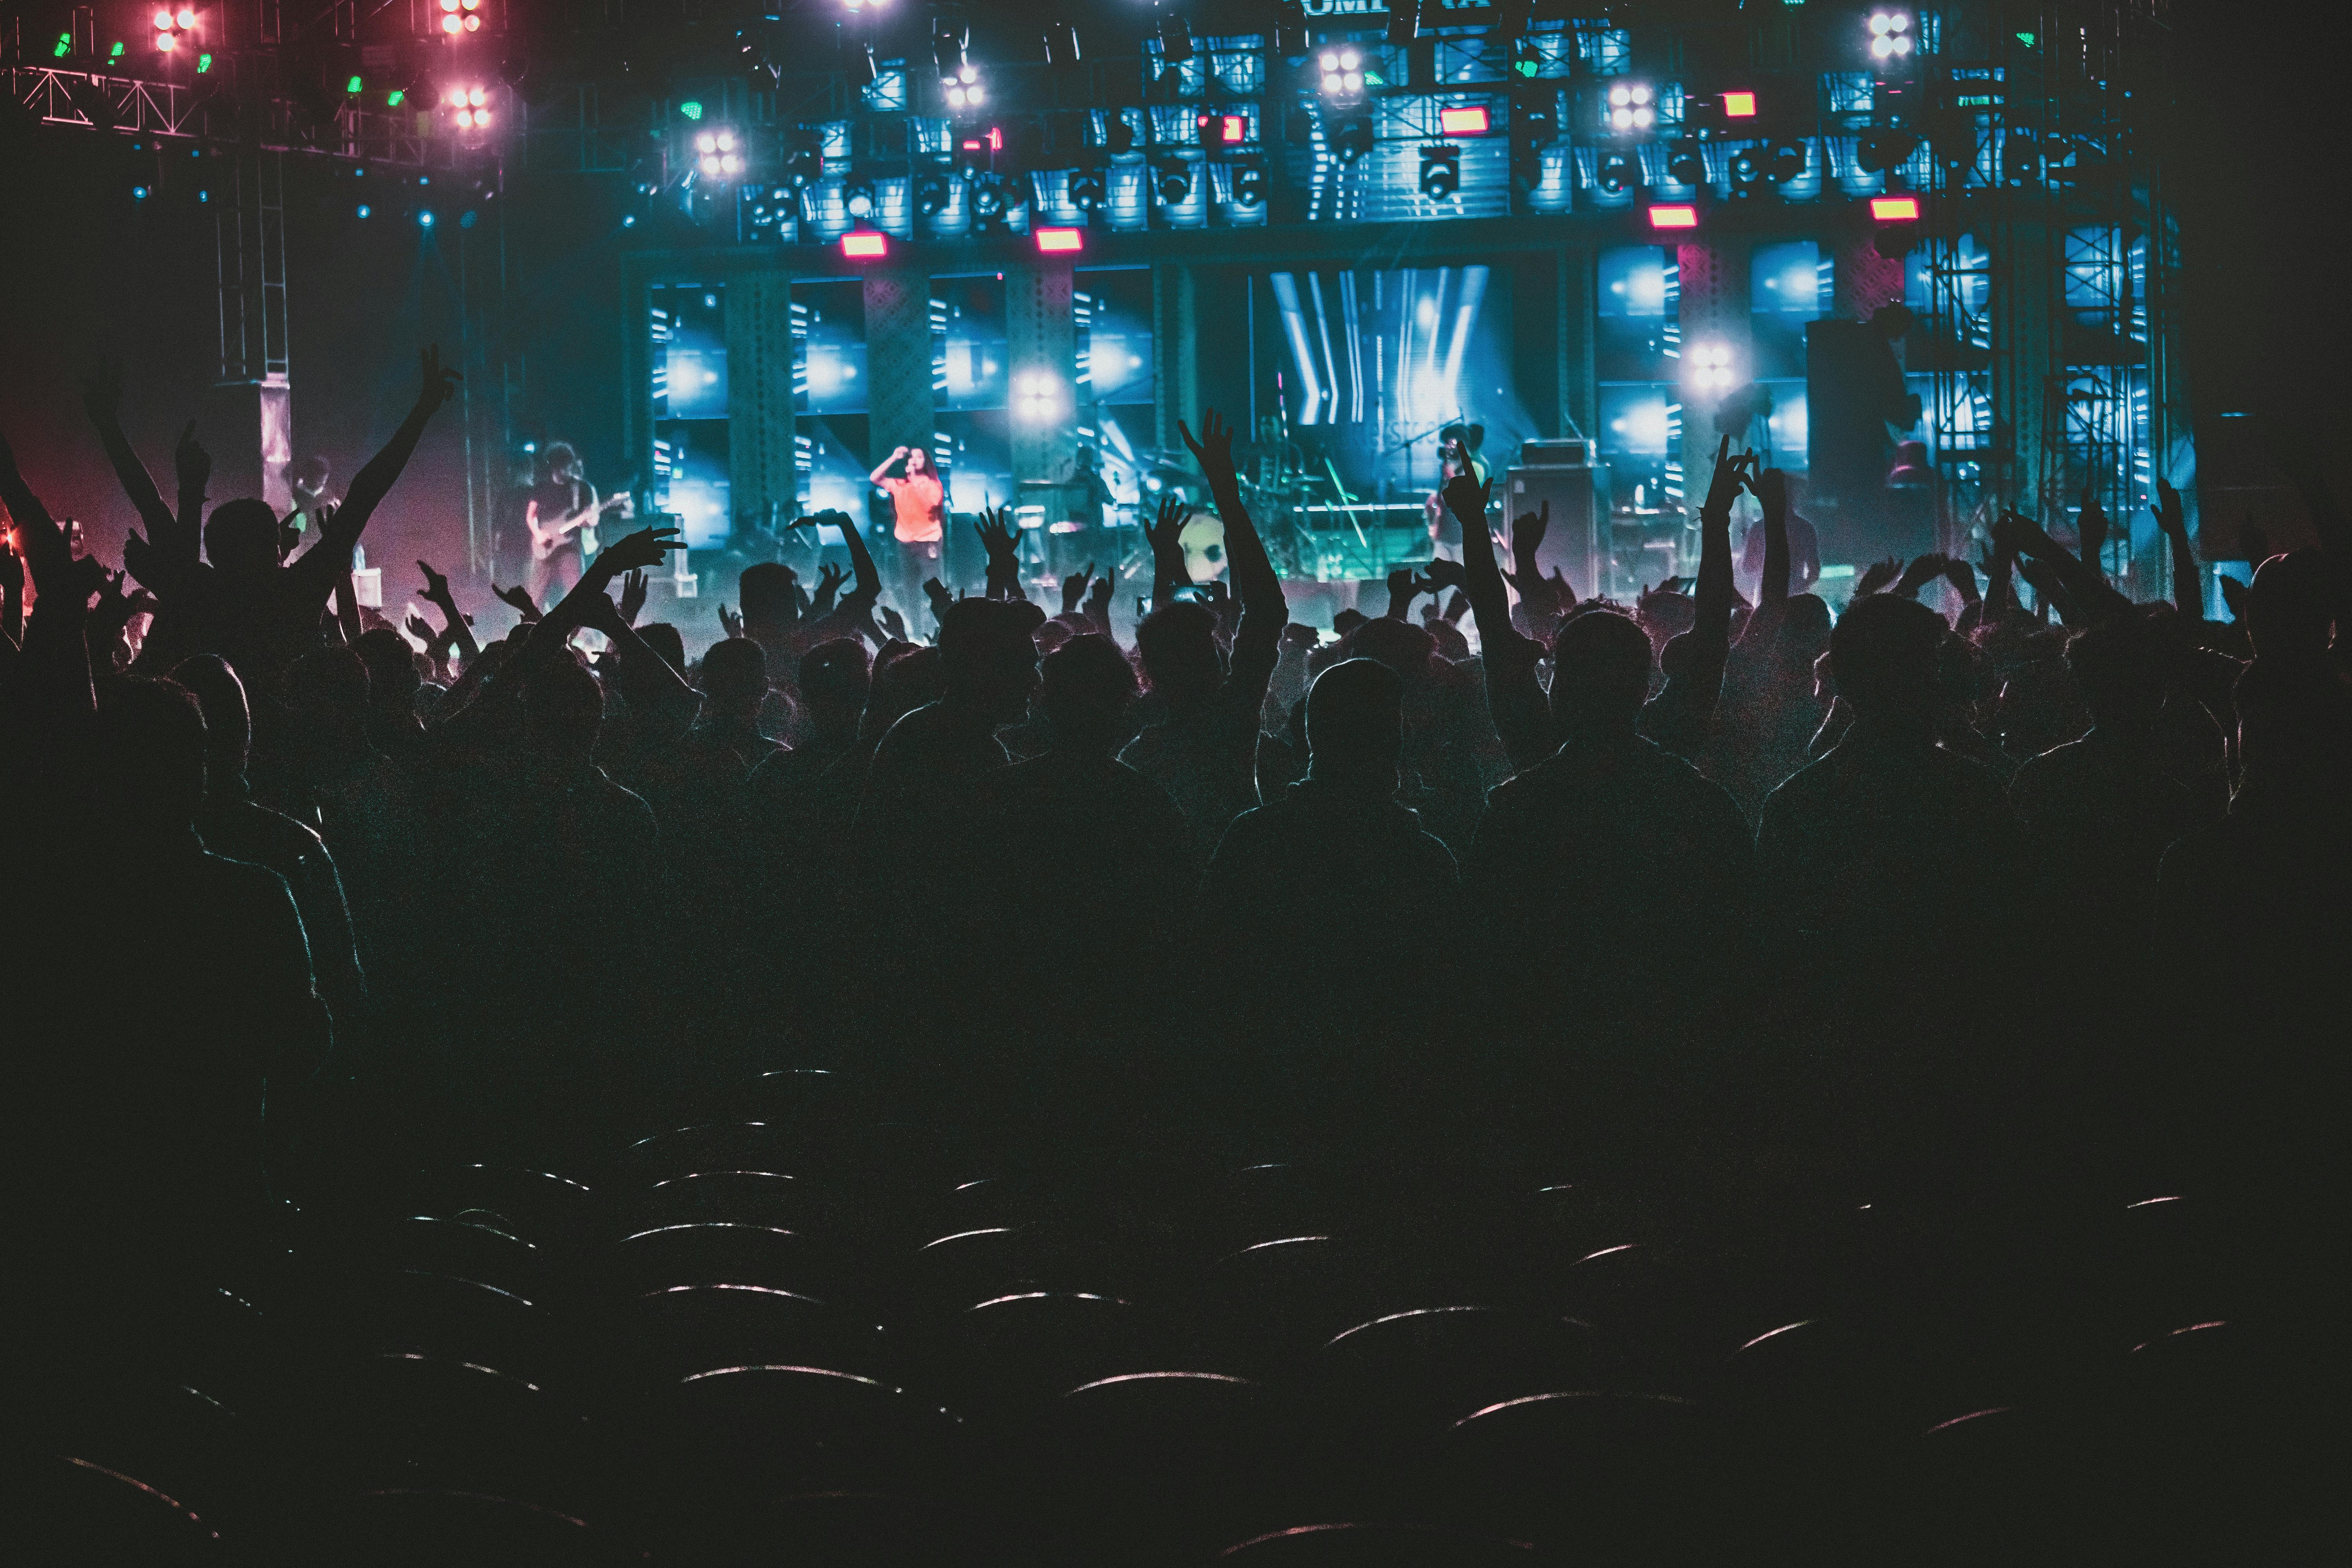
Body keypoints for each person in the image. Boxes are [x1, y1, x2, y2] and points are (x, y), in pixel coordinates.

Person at [871, 444, 947, 610]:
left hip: (929, 543)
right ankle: (916, 633)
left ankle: (941, 626)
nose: (915, 460)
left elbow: (930, 505)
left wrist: (913, 479)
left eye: (920, 457)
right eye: (912, 457)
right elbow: (875, 478)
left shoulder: (934, 484)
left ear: (926, 461)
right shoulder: (900, 484)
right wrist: (894, 457)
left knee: (935, 589)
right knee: (910, 590)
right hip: (906, 543)